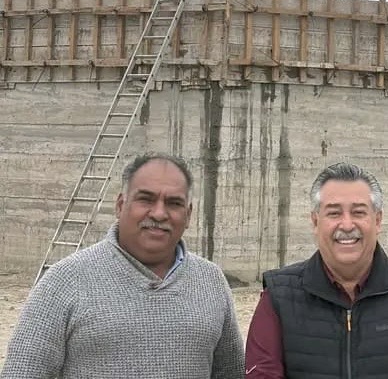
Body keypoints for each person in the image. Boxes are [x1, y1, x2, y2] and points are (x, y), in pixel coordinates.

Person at [0, 154, 245, 379]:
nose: (159, 213)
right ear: (120, 205)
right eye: (145, 199)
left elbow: (230, 373)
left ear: (188, 215)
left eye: (173, 203)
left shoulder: (211, 280)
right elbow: (23, 371)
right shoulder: (64, 280)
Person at [245, 162, 388, 378]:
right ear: (315, 222)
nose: (346, 225)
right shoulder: (278, 296)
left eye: (358, 212)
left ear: (378, 221)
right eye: (334, 213)